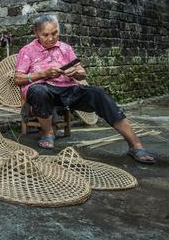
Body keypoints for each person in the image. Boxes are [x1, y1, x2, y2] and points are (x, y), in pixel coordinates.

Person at [14, 14, 155, 163]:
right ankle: (48, 132)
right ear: (36, 33)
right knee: (38, 91)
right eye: (46, 35)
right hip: (44, 90)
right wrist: (43, 74)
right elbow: (18, 79)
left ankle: (135, 145)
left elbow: (82, 73)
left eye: (55, 33)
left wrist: (76, 72)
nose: (51, 38)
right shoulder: (27, 50)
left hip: (69, 89)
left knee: (98, 93)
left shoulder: (65, 48)